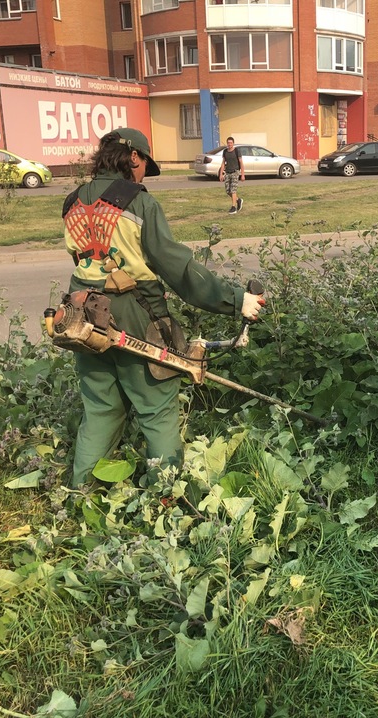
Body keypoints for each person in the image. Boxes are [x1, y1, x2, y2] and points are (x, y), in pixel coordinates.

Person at [61, 127, 265, 488]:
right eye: (143, 167)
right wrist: (236, 300)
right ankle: (167, 500)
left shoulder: (73, 201)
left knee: (100, 411)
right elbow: (176, 267)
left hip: (81, 315)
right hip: (134, 315)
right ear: (133, 158)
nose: (143, 176)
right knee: (157, 410)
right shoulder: (138, 202)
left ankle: (81, 494)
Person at [218, 136, 245, 214]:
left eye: (231, 143)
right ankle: (238, 200)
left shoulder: (236, 151)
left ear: (233, 143)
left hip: (235, 172)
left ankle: (233, 207)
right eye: (228, 143)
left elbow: (241, 163)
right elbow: (223, 163)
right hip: (228, 172)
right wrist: (221, 174)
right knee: (228, 190)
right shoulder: (225, 151)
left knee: (233, 190)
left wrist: (242, 175)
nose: (229, 144)